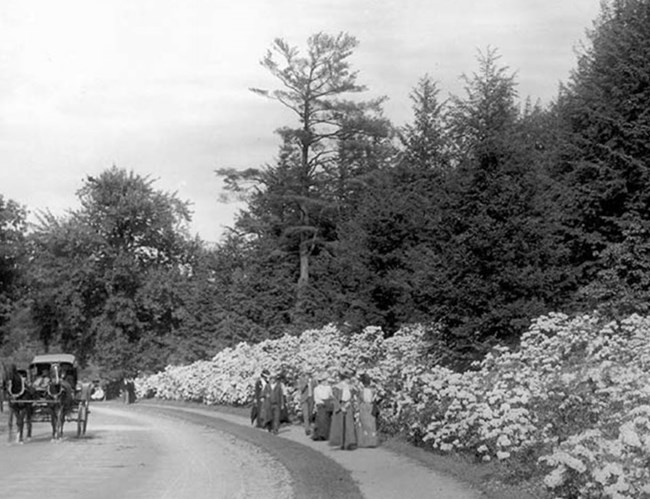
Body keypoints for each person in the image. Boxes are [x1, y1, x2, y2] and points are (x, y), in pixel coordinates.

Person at [329, 368, 358, 450]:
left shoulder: (350, 387)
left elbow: (352, 397)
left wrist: (349, 403)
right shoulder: (338, 387)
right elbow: (335, 399)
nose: (349, 380)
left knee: (349, 424)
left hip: (348, 405)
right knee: (340, 424)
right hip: (341, 405)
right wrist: (341, 407)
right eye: (348, 378)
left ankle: (349, 443)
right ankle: (340, 443)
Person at [356, 373, 379, 447]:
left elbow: (359, 400)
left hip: (367, 407)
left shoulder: (367, 391)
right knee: (368, 423)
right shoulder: (370, 391)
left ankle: (369, 442)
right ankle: (368, 441)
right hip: (367, 406)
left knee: (368, 423)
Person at [311, 372, 333, 441]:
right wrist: (320, 403)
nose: (325, 382)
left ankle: (325, 434)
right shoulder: (317, 389)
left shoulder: (328, 388)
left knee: (326, 420)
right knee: (320, 421)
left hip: (327, 405)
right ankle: (319, 435)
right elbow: (317, 398)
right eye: (324, 380)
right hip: (320, 405)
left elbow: (331, 396)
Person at [297, 369, 314, 435]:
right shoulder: (301, 380)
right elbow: (301, 389)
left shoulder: (313, 381)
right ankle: (307, 429)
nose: (307, 376)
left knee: (310, 414)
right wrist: (305, 383)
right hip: (304, 399)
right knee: (306, 414)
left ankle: (309, 426)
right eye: (306, 374)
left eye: (308, 374)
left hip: (311, 398)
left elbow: (315, 389)